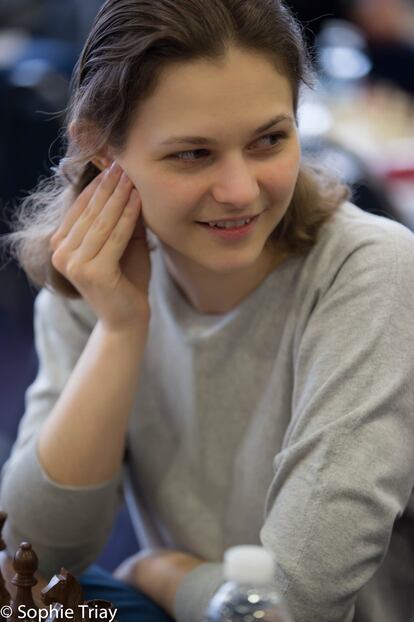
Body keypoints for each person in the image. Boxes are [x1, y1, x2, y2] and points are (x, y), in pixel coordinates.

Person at [1, 1, 414, 621]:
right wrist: (121, 327)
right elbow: (30, 564)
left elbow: (294, 605)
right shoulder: (100, 274)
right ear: (102, 151)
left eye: (269, 139)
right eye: (192, 154)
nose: (241, 190)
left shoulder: (372, 271)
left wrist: (164, 575)